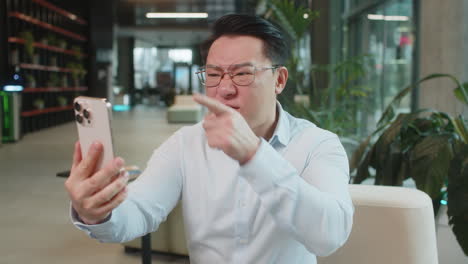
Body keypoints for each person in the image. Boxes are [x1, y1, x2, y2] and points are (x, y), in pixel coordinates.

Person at [65, 14, 354, 264]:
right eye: (214, 74)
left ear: (279, 80)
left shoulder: (318, 145)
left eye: (242, 74)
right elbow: (139, 211)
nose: (224, 89)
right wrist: (97, 212)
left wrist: (255, 156)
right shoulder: (186, 143)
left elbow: (330, 235)